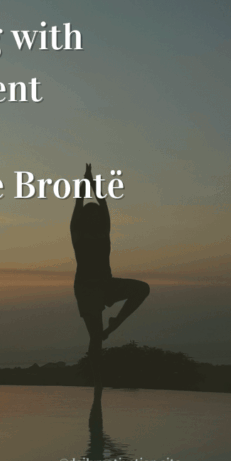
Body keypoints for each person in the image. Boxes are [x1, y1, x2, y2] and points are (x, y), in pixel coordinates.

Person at [71, 163, 150, 386]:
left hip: (106, 284)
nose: (95, 216)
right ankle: (98, 381)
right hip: (86, 288)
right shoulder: (77, 234)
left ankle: (116, 322)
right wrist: (84, 185)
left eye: (97, 214)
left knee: (142, 289)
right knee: (96, 337)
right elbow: (78, 204)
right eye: (91, 214)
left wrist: (92, 181)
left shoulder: (104, 232)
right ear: (85, 218)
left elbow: (103, 203)